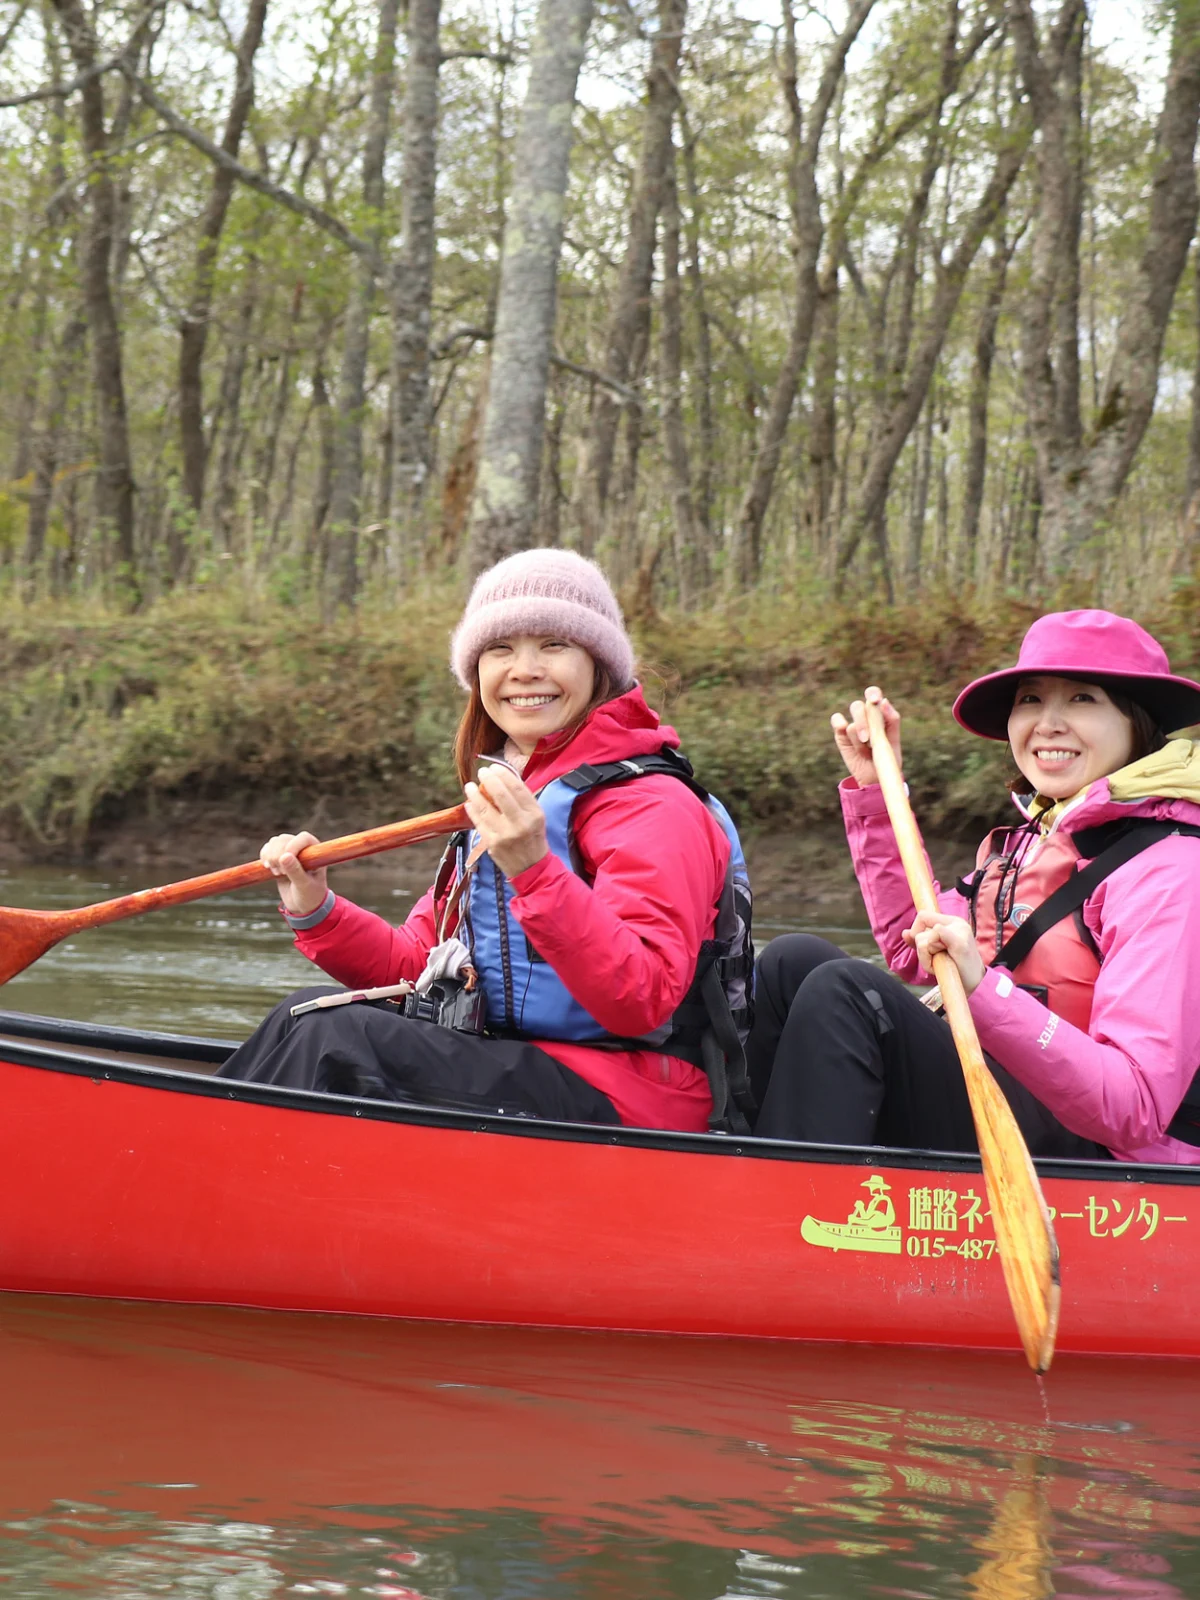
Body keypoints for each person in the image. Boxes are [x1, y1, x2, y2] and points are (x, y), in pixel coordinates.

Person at [218, 548, 753, 1133]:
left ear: (599, 666)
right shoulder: (508, 795)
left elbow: (641, 996)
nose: (523, 670)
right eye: (500, 650)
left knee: (334, 1041)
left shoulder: (653, 805)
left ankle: (201, 1180)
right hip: (521, 1060)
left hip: (634, 1089)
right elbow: (418, 968)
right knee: (302, 1015)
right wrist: (317, 911)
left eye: (554, 645)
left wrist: (534, 871)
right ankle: (193, 1159)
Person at [749, 609, 1200, 1164]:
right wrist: (877, 790)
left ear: (1138, 722)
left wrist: (984, 988)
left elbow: (1134, 1108)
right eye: (1030, 699)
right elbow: (908, 947)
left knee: (846, 993)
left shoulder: (1174, 869)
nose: (1048, 723)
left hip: (1100, 1156)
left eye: (1082, 699)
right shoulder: (1026, 843)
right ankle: (758, 1176)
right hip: (1002, 1098)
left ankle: (792, 1209)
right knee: (789, 963)